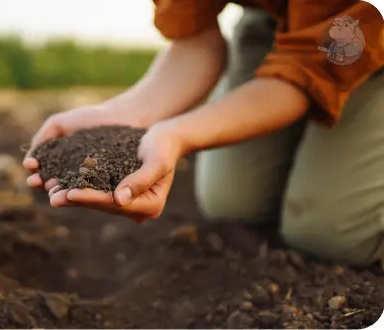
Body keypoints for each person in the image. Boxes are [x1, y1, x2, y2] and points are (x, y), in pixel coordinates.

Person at [23, 1, 384, 266]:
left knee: (330, 235)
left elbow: (301, 78)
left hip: (361, 26)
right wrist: (121, 114)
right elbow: (194, 43)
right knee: (232, 203)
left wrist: (179, 134)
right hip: (279, 18)